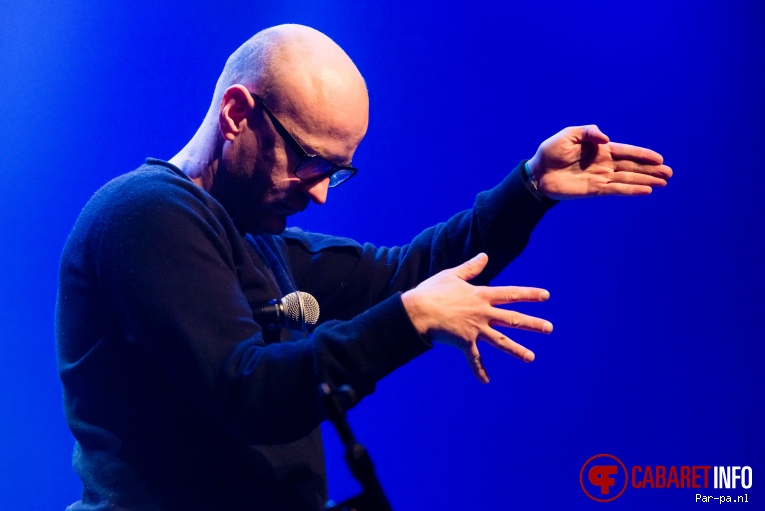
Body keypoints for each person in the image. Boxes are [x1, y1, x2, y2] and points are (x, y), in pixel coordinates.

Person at [55, 24, 672, 511]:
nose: (320, 193)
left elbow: (408, 272)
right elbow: (246, 389)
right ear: (238, 113)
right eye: (310, 161)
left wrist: (529, 188)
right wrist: (409, 320)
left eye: (336, 172)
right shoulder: (144, 214)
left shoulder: (254, 236)